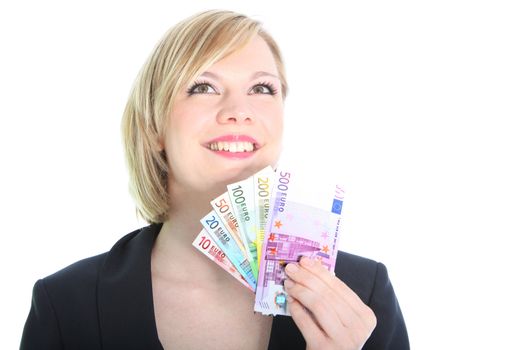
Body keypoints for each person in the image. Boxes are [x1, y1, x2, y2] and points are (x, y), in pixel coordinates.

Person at [20, 10, 409, 350]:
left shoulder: (363, 294)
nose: (239, 111)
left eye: (262, 88)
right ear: (154, 125)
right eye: (203, 87)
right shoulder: (66, 305)